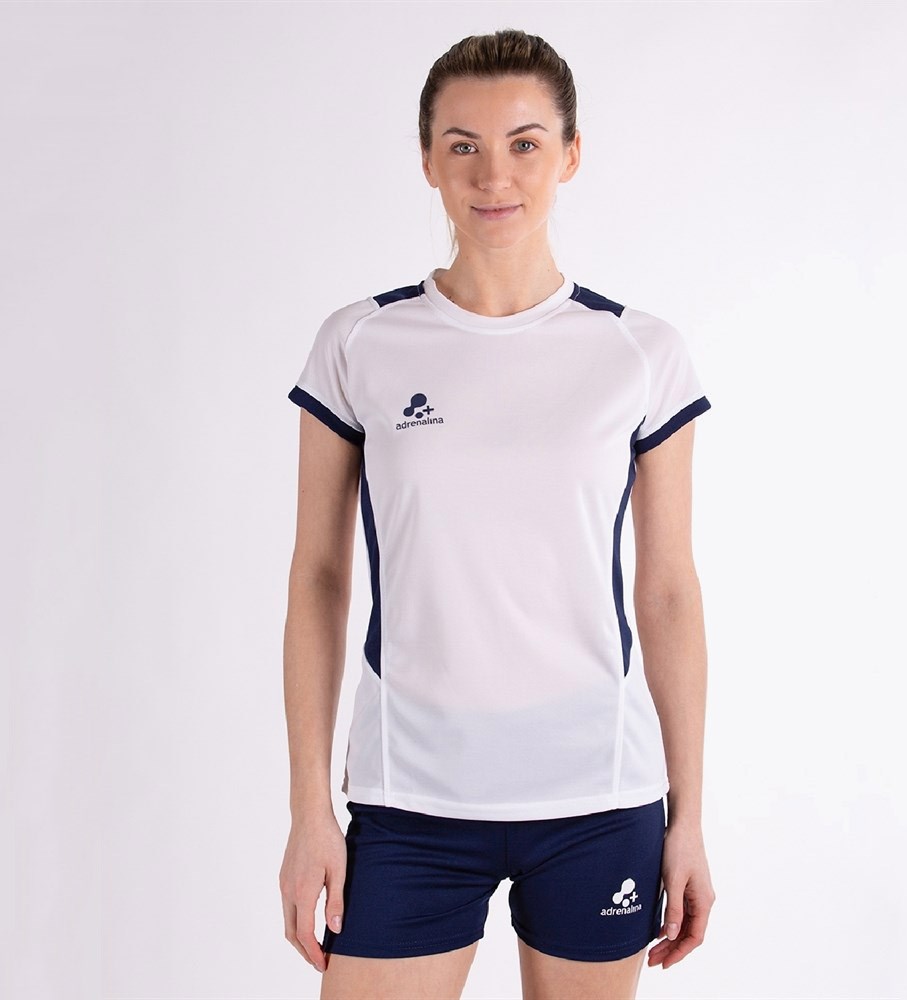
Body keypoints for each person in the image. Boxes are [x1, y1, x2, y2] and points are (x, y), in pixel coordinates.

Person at [279, 28, 716, 1000]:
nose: (493, 175)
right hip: (409, 797)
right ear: (427, 159)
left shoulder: (640, 353)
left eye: (524, 143)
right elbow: (319, 576)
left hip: (598, 797)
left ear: (570, 153)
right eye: (463, 145)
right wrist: (310, 808)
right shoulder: (361, 343)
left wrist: (687, 816)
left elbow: (668, 590)